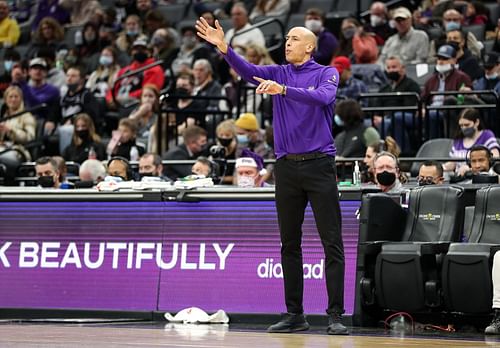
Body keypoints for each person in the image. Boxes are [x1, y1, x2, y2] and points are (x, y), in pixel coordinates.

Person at [196, 17, 348, 334]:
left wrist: (284, 90)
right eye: (287, 38)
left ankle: (335, 315)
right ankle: (295, 314)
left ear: (309, 46)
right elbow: (249, 71)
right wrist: (225, 49)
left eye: (294, 38)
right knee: (288, 244)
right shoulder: (278, 72)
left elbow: (322, 97)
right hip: (287, 168)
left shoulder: (326, 73)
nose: (287, 42)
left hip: (320, 165)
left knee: (331, 242)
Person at [372, 56, 422, 153]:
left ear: (403, 68)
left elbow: (409, 108)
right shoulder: (385, 88)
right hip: (386, 117)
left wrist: (386, 118)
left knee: (394, 119)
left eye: (394, 67)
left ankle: (402, 154)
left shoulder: (411, 86)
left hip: (406, 117)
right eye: (389, 68)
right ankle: (374, 154)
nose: (391, 70)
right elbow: (377, 105)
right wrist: (376, 116)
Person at [444, 108, 500, 177]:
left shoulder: (486, 135)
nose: (463, 128)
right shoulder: (458, 140)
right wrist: (441, 167)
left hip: (482, 178)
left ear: (477, 122)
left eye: (467, 125)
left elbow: (495, 156)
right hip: (460, 180)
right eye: (461, 125)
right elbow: (452, 163)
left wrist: (470, 168)